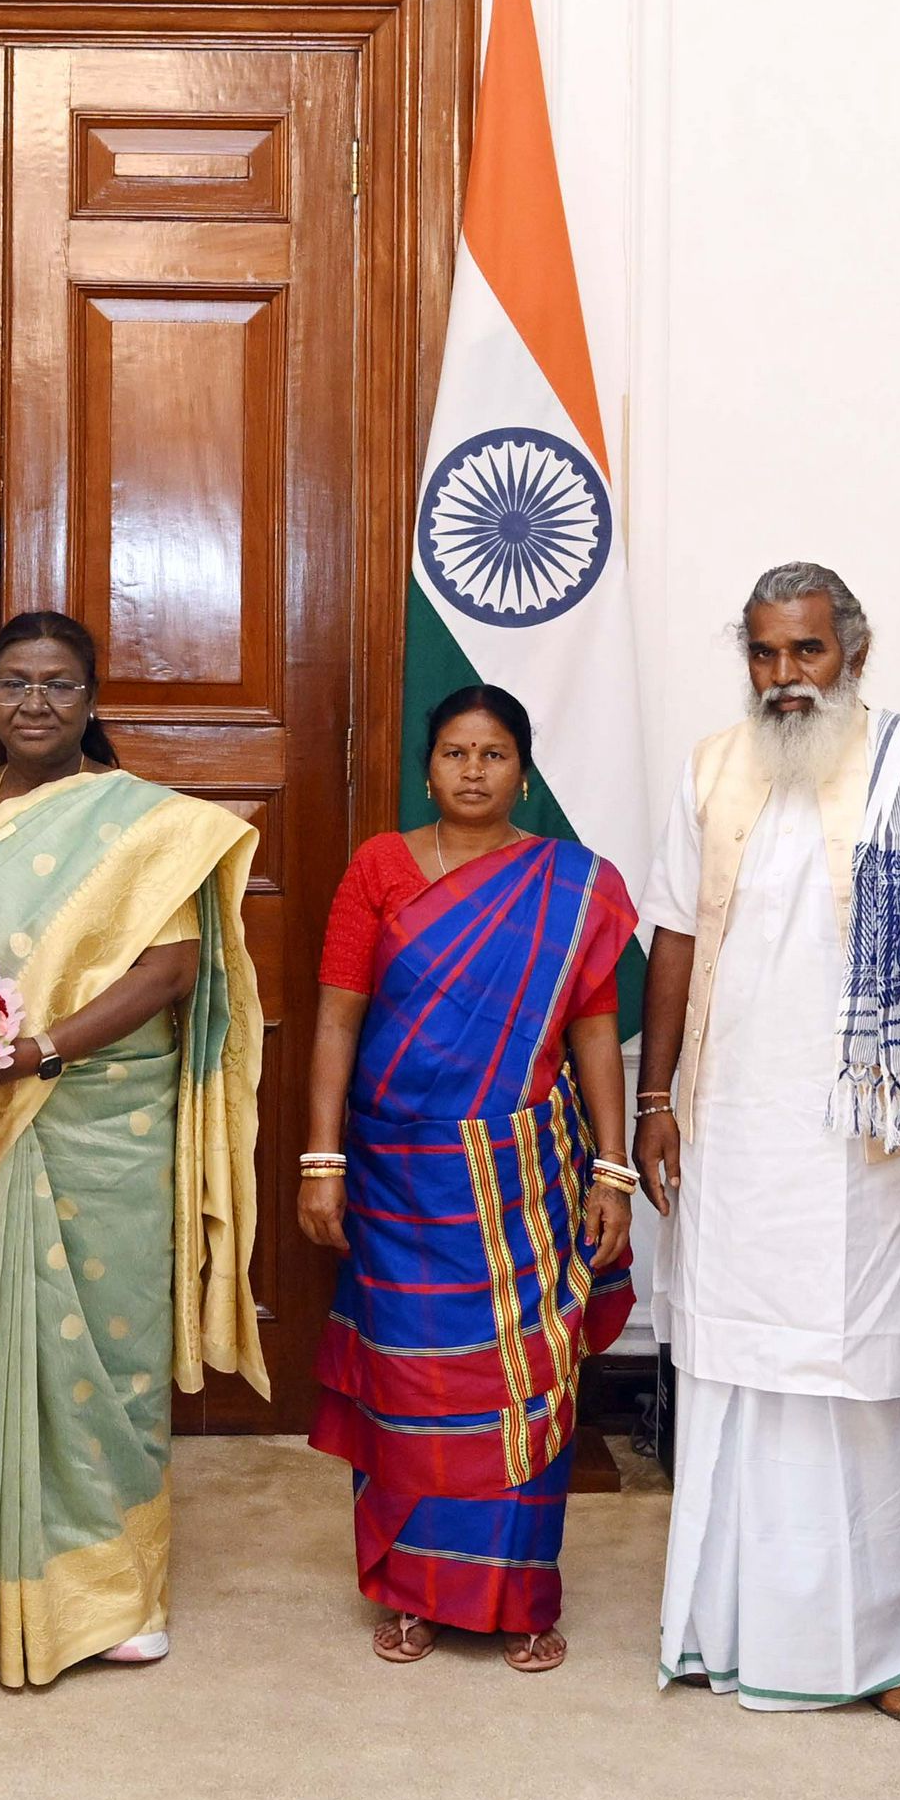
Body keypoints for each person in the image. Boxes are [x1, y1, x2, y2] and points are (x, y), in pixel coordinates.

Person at [634, 563, 900, 1721]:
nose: (783, 674)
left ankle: (887, 1651)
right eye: (763, 652)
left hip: (873, 1140)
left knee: (866, 1377)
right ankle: (724, 1625)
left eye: (805, 649)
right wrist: (653, 1099)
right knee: (737, 1372)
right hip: (733, 1127)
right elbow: (673, 934)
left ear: (854, 649)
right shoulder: (710, 766)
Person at [0, 610, 267, 1693]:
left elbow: (169, 971)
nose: (35, 703)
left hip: (102, 1114)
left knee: (109, 1352)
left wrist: (39, 1050)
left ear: (92, 700)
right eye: (15, 682)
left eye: (58, 684)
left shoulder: (146, 823)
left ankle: (114, 1597)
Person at [299, 687, 639, 1671]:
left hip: (524, 1177)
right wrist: (321, 1158)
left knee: (524, 1379)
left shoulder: (573, 884)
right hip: (398, 1178)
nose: (474, 769)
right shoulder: (379, 868)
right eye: (455, 751)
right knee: (410, 1382)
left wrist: (612, 1171)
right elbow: (336, 1019)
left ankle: (519, 1596)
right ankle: (413, 1593)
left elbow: (594, 1036)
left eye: (493, 753)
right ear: (428, 767)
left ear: (522, 772)